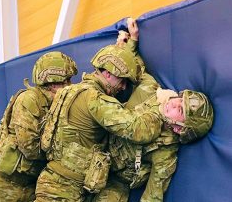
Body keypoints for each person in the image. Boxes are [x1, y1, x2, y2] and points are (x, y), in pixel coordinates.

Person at [35, 21, 164, 201]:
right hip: (64, 190)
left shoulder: (72, 90)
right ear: (108, 74)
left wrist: (130, 47)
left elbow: (115, 60)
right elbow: (138, 130)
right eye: (123, 80)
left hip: (58, 184)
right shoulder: (95, 100)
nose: (124, 86)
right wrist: (163, 106)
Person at [91, 22, 214, 202]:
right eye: (179, 99)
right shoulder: (150, 90)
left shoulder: (166, 153)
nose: (174, 103)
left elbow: (153, 194)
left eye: (180, 109)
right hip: (97, 141)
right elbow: (132, 67)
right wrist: (131, 41)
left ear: (180, 129)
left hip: (116, 180)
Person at [0, 51, 78, 202]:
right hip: (5, 185)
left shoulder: (55, 105)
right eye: (66, 81)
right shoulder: (29, 99)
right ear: (53, 82)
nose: (69, 86)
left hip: (30, 185)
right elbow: (29, 148)